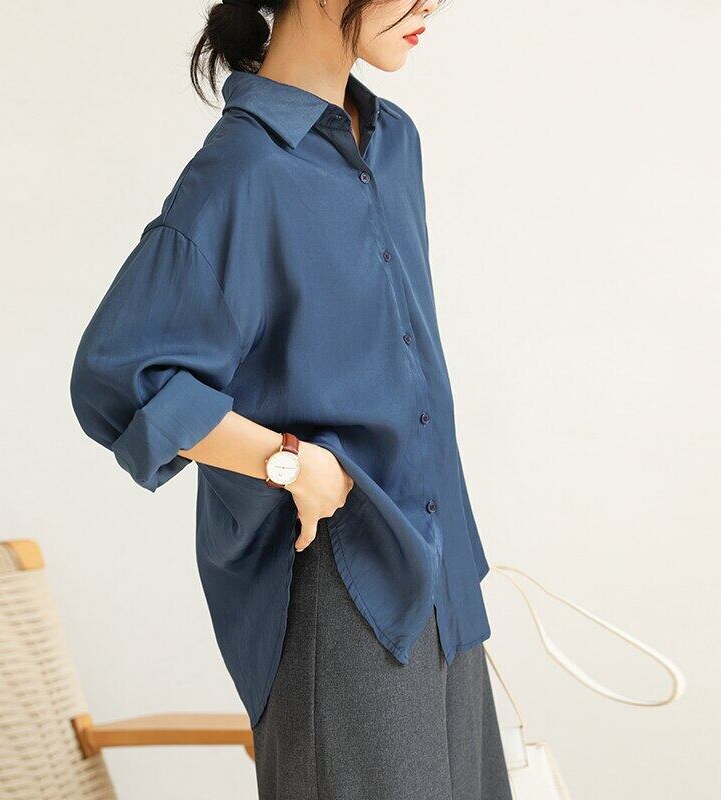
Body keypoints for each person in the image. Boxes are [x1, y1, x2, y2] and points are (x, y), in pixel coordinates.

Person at [69, 0, 512, 796]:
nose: (432, 4)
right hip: (341, 593)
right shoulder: (242, 172)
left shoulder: (394, 140)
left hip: (444, 580)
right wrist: (288, 462)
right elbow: (117, 375)